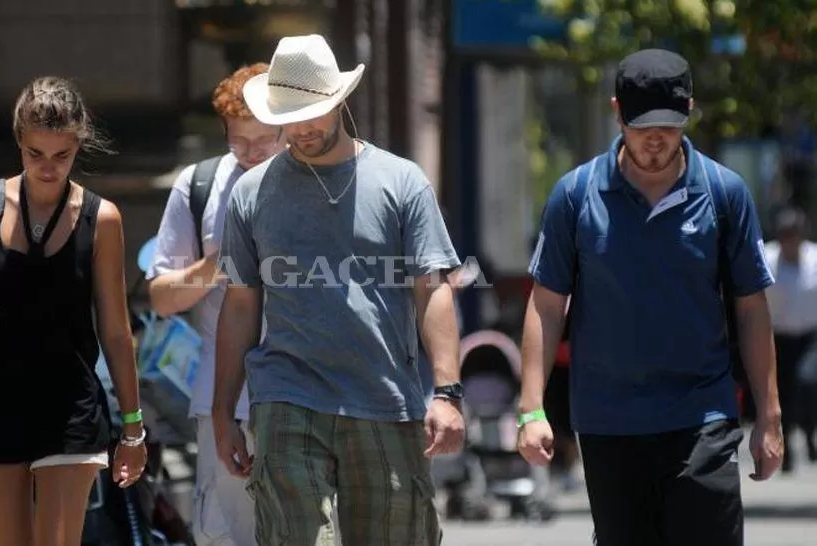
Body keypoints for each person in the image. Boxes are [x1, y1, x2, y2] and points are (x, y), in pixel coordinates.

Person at [517, 48, 784, 546]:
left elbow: (751, 308)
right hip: (609, 421)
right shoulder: (575, 195)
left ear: (689, 111)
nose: (656, 138)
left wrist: (770, 418)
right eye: (642, 126)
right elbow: (546, 305)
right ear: (618, 112)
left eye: (669, 124)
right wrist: (532, 410)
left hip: (701, 414)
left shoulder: (724, 193)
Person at [212, 34, 465, 546]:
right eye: (289, 117)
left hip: (383, 397)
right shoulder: (251, 193)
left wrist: (447, 393)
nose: (302, 128)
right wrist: (223, 412)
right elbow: (240, 306)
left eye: (314, 113)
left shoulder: (401, 181)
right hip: (286, 395)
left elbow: (432, 289)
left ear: (340, 101)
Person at [0, 76, 147, 546]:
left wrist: (133, 428)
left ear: (78, 144)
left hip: (70, 407)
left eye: (62, 155)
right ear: (18, 142)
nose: (48, 167)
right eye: (35, 153)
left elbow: (116, 330)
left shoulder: (102, 219)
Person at [146, 62, 285, 546]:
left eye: (264, 140)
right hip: (224, 400)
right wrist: (217, 264)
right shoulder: (199, 185)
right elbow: (162, 298)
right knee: (227, 533)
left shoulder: (315, 182)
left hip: (308, 391)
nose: (251, 153)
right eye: (238, 141)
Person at [764, 207, 817, 470]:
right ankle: (787, 451)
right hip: (778, 338)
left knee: (807, 383)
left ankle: (808, 434)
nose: (789, 242)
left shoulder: (814, 259)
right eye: (785, 235)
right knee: (783, 393)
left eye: (794, 235)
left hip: (810, 337)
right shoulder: (766, 258)